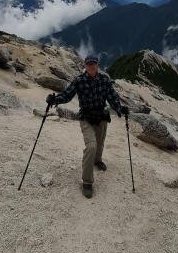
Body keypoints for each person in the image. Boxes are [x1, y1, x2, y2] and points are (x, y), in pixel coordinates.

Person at [46, 54, 128, 198]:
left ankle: (97, 161)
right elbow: (67, 95)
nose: (91, 66)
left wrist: (120, 109)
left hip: (102, 116)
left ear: (98, 65)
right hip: (86, 117)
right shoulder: (79, 80)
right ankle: (87, 182)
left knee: (100, 143)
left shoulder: (105, 80)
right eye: (88, 64)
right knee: (91, 146)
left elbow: (112, 97)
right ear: (85, 66)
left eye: (93, 64)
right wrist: (55, 100)